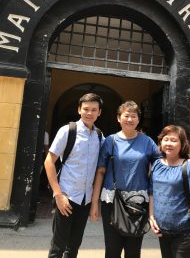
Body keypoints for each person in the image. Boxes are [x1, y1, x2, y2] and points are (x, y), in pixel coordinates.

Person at [90, 100, 161, 258]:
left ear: (138, 119)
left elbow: (164, 163)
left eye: (133, 116)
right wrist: (95, 204)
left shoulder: (147, 142)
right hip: (112, 201)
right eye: (126, 115)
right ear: (118, 118)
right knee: (112, 249)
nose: (130, 119)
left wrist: (188, 159)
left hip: (138, 203)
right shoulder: (110, 141)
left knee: (133, 251)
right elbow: (100, 172)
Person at [44, 93, 104, 258]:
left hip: (85, 200)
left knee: (74, 247)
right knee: (58, 247)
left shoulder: (99, 136)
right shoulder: (68, 131)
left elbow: (100, 169)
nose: (89, 113)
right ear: (79, 110)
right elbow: (49, 161)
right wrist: (58, 195)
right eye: (86, 109)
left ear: (99, 112)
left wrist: (94, 203)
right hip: (67, 197)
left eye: (94, 110)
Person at [149, 125, 190, 258]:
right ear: (160, 142)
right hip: (163, 231)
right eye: (166, 139)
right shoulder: (157, 165)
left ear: (182, 144)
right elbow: (153, 192)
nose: (169, 143)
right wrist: (151, 216)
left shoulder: (189, 167)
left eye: (174, 140)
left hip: (184, 232)